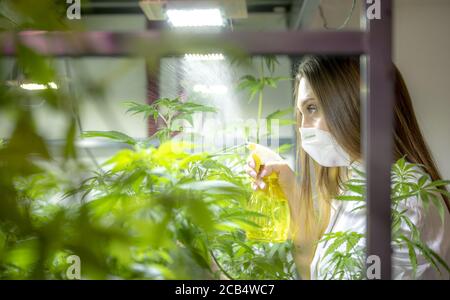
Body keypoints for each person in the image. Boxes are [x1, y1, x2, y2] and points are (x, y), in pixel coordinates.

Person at [246, 56, 450, 280]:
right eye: (301, 113)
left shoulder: (405, 196)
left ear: (356, 104)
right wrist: (290, 187)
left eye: (312, 108)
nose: (303, 127)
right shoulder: (357, 187)